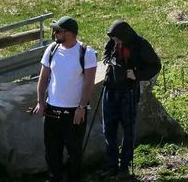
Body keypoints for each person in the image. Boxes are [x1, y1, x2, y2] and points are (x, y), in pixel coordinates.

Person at [34, 16, 98, 182]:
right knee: (52, 150)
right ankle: (53, 177)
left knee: (74, 151)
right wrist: (41, 102)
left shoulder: (86, 53)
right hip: (52, 109)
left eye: (58, 31)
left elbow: (89, 83)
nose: (54, 34)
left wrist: (81, 107)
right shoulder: (52, 50)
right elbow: (43, 78)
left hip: (74, 111)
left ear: (69, 33)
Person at [102, 20, 162, 179]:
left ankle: (124, 166)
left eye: (117, 39)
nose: (115, 42)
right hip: (110, 88)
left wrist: (137, 75)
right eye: (114, 39)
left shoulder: (140, 44)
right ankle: (111, 165)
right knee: (109, 129)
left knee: (128, 130)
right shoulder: (113, 40)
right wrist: (109, 62)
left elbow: (155, 65)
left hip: (128, 91)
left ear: (125, 35)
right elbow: (106, 54)